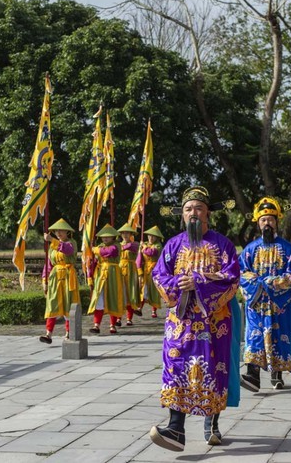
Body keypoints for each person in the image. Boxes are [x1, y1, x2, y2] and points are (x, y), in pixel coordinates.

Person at [149, 186, 240, 451]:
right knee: (176, 368)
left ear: (207, 213)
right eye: (188, 209)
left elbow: (231, 278)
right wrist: (180, 284)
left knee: (213, 368)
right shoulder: (173, 245)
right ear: (183, 215)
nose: (193, 214)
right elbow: (158, 275)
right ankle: (176, 428)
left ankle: (211, 424)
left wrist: (198, 282)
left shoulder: (223, 245)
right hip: (181, 324)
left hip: (214, 324)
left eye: (198, 208)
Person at [239, 197, 291, 391]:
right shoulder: (250, 249)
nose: (267, 223)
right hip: (257, 303)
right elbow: (241, 273)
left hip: (278, 304)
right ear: (258, 223)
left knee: (279, 337)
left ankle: (277, 374)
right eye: (263, 220)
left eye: (271, 219)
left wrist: (272, 283)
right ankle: (252, 375)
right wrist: (257, 284)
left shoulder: (287, 249)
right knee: (254, 337)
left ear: (277, 222)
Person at [39, 219, 80, 345]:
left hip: (68, 276)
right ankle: (48, 333)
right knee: (52, 303)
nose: (58, 233)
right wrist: (45, 279)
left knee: (68, 303)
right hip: (55, 277)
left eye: (61, 230)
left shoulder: (71, 243)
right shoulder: (52, 246)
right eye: (56, 231)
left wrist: (52, 240)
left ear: (67, 232)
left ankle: (69, 332)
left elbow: (67, 250)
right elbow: (49, 264)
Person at [87, 224, 125, 335]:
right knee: (99, 299)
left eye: (108, 236)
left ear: (113, 236)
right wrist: (90, 277)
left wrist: (96, 250)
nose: (105, 238)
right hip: (100, 275)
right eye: (103, 236)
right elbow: (93, 263)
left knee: (112, 298)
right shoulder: (99, 246)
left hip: (113, 273)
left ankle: (112, 325)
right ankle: (96, 325)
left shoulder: (117, 245)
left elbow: (110, 252)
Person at [117, 223, 142, 326]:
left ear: (131, 234)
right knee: (120, 293)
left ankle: (129, 318)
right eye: (123, 233)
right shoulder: (118, 245)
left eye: (127, 233)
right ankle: (118, 318)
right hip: (120, 268)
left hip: (131, 270)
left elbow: (131, 246)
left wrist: (120, 247)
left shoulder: (135, 244)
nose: (125, 235)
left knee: (130, 292)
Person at [138, 226, 164, 318]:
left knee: (154, 290)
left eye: (153, 236)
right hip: (146, 270)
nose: (151, 238)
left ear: (156, 237)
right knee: (143, 289)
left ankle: (154, 310)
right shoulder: (144, 244)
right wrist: (139, 270)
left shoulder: (158, 246)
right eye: (149, 236)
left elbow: (151, 252)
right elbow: (139, 258)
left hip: (155, 270)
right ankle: (140, 308)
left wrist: (144, 247)